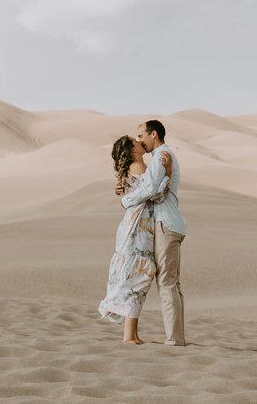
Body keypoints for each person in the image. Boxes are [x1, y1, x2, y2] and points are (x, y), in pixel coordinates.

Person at [98, 135, 173, 343]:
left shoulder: (139, 166)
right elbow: (154, 194)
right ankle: (129, 336)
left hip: (139, 224)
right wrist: (167, 175)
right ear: (132, 149)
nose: (140, 142)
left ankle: (132, 334)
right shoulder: (139, 167)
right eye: (135, 140)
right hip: (138, 226)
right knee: (138, 275)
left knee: (138, 274)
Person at [120, 120, 187, 346]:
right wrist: (125, 186)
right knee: (172, 284)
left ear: (153, 134)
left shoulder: (161, 156)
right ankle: (176, 337)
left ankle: (174, 340)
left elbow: (149, 190)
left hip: (165, 224)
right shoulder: (161, 156)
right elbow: (147, 185)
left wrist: (125, 199)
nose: (139, 140)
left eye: (141, 135)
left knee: (167, 284)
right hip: (169, 223)